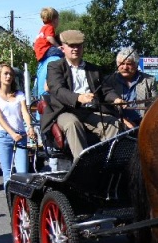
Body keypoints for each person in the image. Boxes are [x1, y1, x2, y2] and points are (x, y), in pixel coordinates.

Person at [41, 30, 119, 159]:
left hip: (89, 112)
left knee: (112, 123)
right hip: (64, 111)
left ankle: (108, 162)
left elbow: (105, 90)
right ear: (63, 48)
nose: (75, 49)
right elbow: (57, 89)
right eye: (71, 46)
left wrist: (115, 99)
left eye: (79, 46)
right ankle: (82, 164)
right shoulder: (55, 67)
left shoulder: (93, 69)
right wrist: (78, 97)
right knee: (72, 123)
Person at [0, 64, 36, 190]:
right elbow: (0, 118)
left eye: (10, 74)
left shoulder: (19, 95)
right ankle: (11, 205)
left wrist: (30, 127)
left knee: (22, 174)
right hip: (3, 136)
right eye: (5, 73)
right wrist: (12, 134)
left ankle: (22, 205)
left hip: (20, 135)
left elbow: (25, 112)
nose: (8, 76)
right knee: (8, 174)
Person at [104, 47, 158, 128]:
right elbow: (105, 107)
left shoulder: (149, 80)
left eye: (129, 64)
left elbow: (155, 105)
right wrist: (124, 121)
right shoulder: (109, 81)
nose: (125, 67)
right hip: (117, 122)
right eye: (121, 64)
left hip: (143, 122)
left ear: (136, 65)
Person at [33, 7, 63, 97]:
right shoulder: (50, 27)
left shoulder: (42, 28)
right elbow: (49, 38)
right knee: (63, 53)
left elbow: (36, 41)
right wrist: (58, 46)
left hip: (40, 52)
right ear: (54, 19)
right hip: (46, 50)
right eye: (58, 19)